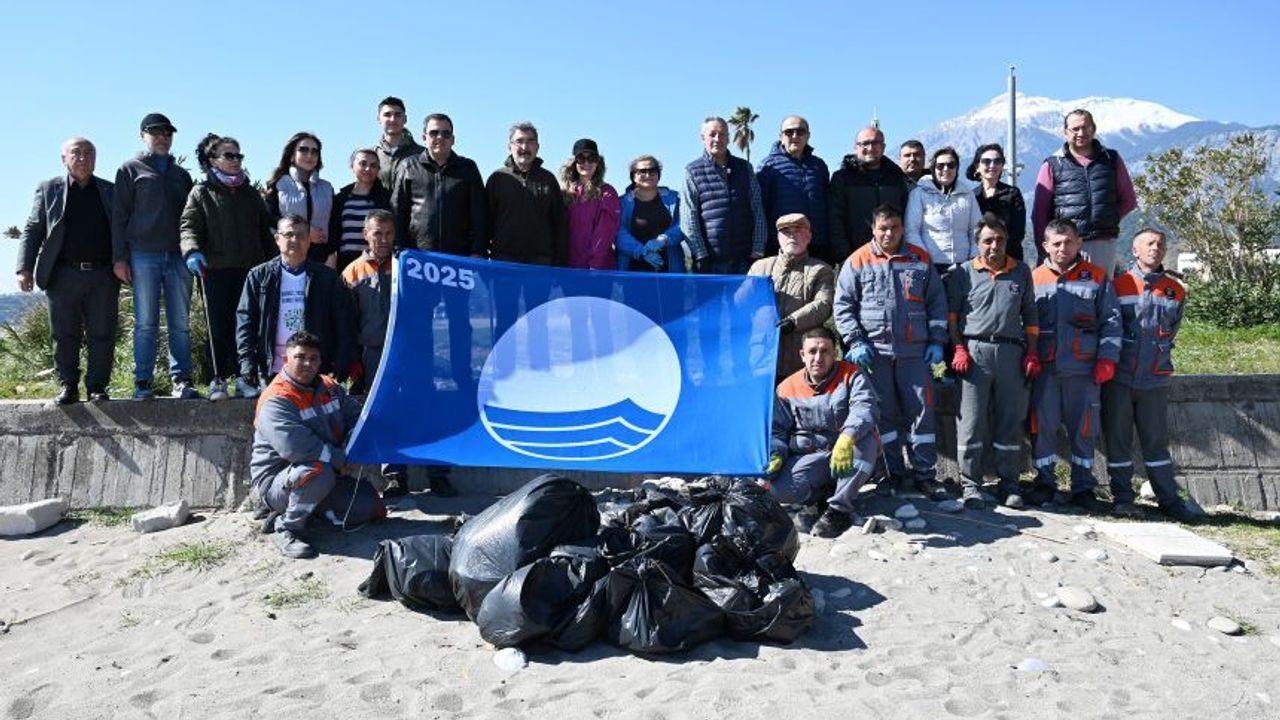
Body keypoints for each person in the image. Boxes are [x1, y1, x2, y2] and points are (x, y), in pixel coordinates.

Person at [834, 204, 948, 499]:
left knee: (921, 413)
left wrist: (937, 340)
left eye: (894, 227)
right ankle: (890, 474)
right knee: (882, 415)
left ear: (902, 228)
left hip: (915, 353)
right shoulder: (857, 260)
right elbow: (843, 306)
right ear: (873, 229)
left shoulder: (920, 259)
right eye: (882, 228)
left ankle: (925, 475)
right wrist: (855, 341)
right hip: (874, 355)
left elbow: (937, 302)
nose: (888, 233)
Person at [251, 331, 380, 559]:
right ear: (286, 359)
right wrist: (340, 459)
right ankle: (287, 527)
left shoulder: (330, 387)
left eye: (314, 358)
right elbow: (297, 449)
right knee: (316, 472)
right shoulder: (275, 398)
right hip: (280, 481)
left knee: (371, 507)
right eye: (300, 357)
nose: (308, 363)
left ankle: (306, 512)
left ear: (320, 361)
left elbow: (357, 419)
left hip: (327, 473)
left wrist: (350, 444)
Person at [1026, 219, 1122, 511]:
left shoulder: (1096, 277)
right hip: (1045, 370)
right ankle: (1044, 483)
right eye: (1056, 243)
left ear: (1079, 243)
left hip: (1084, 370)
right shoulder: (1033, 278)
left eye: (1069, 242)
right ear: (1045, 246)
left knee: (1085, 430)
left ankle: (1082, 487)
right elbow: (1024, 322)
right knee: (1042, 428)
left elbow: (1111, 321)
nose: (1063, 248)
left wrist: (1107, 359)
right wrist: (1028, 355)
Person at [1102, 229, 1197, 521]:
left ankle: (1169, 501)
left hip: (1154, 379)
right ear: (1135, 250)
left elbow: (1172, 331)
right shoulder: (1117, 286)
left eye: (1160, 244)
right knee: (1118, 441)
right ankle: (1122, 498)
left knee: (1155, 443)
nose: (1156, 248)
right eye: (1150, 243)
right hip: (1119, 378)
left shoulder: (1175, 290)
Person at [948, 214, 1039, 509]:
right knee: (971, 422)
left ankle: (1009, 484)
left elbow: (1030, 315)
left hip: (1012, 354)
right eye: (988, 240)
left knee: (1010, 422)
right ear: (977, 243)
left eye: (1000, 239)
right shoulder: (963, 273)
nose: (994, 245)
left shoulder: (1021, 271)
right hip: (974, 353)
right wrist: (958, 348)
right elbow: (952, 318)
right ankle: (970, 485)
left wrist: (1032, 352)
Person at [16, 137, 117, 404]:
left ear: (96, 158)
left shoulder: (110, 190)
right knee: (63, 334)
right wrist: (24, 268)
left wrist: (123, 262)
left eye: (89, 153)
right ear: (64, 159)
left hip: (103, 274)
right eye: (76, 153)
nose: (83, 158)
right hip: (62, 274)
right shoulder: (49, 189)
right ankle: (68, 386)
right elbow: (33, 229)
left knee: (103, 333)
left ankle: (97, 387)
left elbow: (122, 230)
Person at [180, 133, 277, 401]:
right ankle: (218, 380)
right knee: (218, 327)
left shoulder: (250, 194)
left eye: (238, 155)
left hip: (249, 271)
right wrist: (192, 251)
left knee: (246, 326)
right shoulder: (201, 192)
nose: (236, 160)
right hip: (214, 270)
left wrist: (274, 260)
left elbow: (266, 229)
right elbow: (188, 226)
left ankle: (246, 378)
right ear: (213, 160)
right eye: (229, 155)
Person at [112, 112, 198, 400]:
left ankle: (181, 379)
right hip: (143, 255)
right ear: (142, 136)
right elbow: (119, 217)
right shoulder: (129, 169)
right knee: (145, 323)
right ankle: (143, 382)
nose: (162, 137)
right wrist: (119, 257)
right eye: (156, 132)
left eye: (167, 132)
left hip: (178, 257)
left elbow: (191, 218)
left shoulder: (181, 175)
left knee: (180, 323)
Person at [340, 210, 423, 497]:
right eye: (377, 233)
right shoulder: (352, 272)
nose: (383, 239)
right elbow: (347, 323)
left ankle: (438, 473)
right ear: (366, 234)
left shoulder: (407, 266)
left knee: (419, 408)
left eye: (388, 233)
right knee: (384, 414)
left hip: (409, 351)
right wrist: (353, 361)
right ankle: (395, 475)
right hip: (374, 354)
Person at [769, 326, 880, 538]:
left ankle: (839, 510)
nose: (818, 358)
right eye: (812, 351)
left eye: (825, 351)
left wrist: (847, 438)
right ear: (802, 355)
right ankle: (820, 497)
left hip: (847, 450)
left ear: (835, 353)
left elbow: (865, 408)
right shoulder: (785, 387)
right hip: (811, 456)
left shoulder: (852, 375)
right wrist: (776, 453)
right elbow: (777, 430)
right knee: (778, 490)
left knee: (867, 441)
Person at [236, 214, 356, 388]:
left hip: (316, 371)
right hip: (273, 370)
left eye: (301, 235)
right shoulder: (259, 276)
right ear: (277, 239)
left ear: (309, 241)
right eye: (289, 234)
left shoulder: (327, 278)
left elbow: (344, 323)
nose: (294, 240)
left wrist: (341, 364)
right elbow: (245, 321)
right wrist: (247, 362)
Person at [1031, 109, 1138, 276]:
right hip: (1065, 246)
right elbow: (1040, 213)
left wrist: (1108, 218)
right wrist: (1044, 248)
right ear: (1065, 132)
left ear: (1093, 129)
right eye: (1075, 129)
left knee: (1101, 291)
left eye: (1085, 127)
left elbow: (1129, 201)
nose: (1081, 133)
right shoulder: (1052, 165)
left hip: (1101, 246)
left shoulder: (1111, 159)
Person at [747, 213, 834, 380]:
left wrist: (792, 322)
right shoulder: (759, 268)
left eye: (798, 231)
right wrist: (745, 291)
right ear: (778, 237)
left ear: (809, 237)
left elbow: (824, 305)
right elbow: (741, 305)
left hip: (800, 360)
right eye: (786, 232)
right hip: (762, 357)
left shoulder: (821, 270)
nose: (792, 236)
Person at [392, 112, 487, 257]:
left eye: (446, 134)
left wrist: (478, 251)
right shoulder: (408, 166)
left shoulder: (468, 168)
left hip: (459, 257)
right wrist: (399, 249)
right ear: (424, 138)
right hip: (418, 257)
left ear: (453, 140)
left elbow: (479, 214)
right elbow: (397, 212)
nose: (440, 137)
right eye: (434, 133)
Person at [680, 116, 766, 274]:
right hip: (710, 263)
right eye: (712, 134)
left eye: (722, 134)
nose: (717, 139)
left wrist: (758, 249)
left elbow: (758, 210)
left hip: (746, 261)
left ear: (728, 138)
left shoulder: (745, 168)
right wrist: (701, 256)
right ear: (703, 138)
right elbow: (688, 218)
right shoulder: (692, 171)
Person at [485, 121, 566, 265]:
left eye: (530, 141)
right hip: (503, 263)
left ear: (537, 147)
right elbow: (485, 223)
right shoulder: (497, 179)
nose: (524, 147)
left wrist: (559, 263)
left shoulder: (548, 180)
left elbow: (560, 225)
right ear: (509, 146)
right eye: (519, 141)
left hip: (540, 265)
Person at [829, 127, 912, 262]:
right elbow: (835, 220)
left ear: (883, 147)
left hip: (894, 256)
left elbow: (906, 216)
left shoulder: (897, 178)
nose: (870, 148)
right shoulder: (842, 178)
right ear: (856, 147)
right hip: (854, 257)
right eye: (865, 143)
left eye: (875, 143)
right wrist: (843, 255)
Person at [756, 116, 832, 262]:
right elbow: (759, 208)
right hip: (782, 245)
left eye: (800, 131)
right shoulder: (767, 166)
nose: (795, 136)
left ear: (808, 136)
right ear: (781, 136)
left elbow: (828, 204)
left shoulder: (819, 166)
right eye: (789, 132)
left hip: (817, 245)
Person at [905, 146, 982, 278]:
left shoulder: (968, 195)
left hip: (963, 266)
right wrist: (924, 259)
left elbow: (976, 229)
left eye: (951, 165)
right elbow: (911, 230)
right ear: (933, 169)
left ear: (957, 168)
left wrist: (974, 258)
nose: (946, 169)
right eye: (940, 166)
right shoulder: (919, 194)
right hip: (931, 267)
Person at [264, 132, 335, 266]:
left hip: (320, 259)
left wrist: (331, 254)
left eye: (314, 151)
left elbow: (334, 224)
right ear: (292, 155)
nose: (309, 155)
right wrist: (306, 232)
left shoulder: (327, 188)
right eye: (303, 150)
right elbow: (270, 218)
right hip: (285, 258)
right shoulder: (278, 185)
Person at [616, 155, 687, 272]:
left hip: (670, 270)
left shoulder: (675, 198)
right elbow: (618, 233)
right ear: (633, 176)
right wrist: (641, 251)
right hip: (632, 271)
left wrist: (664, 240)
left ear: (659, 175)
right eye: (642, 171)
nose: (648, 175)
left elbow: (683, 224)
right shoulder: (621, 203)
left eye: (652, 171)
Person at [560, 138, 620, 270]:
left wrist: (595, 266)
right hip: (568, 267)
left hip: (597, 268)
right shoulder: (565, 193)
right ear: (574, 162)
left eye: (592, 158)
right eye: (581, 158)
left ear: (598, 162)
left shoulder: (607, 192)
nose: (586, 163)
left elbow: (605, 235)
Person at [330, 148, 391, 271]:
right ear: (352, 166)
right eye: (363, 164)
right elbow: (334, 231)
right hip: (345, 263)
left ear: (378, 170)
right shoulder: (341, 198)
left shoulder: (386, 198)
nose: (368, 169)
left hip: (377, 262)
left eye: (373, 165)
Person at [967, 143, 1026, 262]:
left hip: (1009, 258)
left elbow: (1018, 232)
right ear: (977, 166)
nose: (992, 165)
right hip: (979, 260)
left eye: (997, 161)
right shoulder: (971, 196)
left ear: (1002, 165)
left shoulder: (1012, 194)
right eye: (986, 161)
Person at [374, 96, 423, 190]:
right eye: (387, 115)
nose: (393, 119)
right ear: (378, 119)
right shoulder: (371, 156)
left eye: (398, 115)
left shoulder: (422, 155)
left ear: (405, 119)